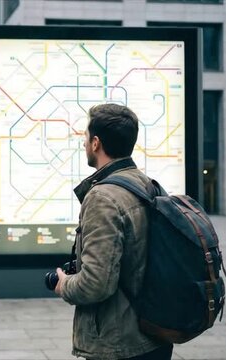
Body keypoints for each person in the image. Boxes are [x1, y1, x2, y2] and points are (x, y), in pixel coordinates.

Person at [54, 104, 172, 360]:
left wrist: (64, 285)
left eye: (86, 137)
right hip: (154, 335)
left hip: (120, 345)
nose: (84, 143)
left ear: (96, 143)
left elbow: (95, 285)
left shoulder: (103, 197)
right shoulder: (147, 185)